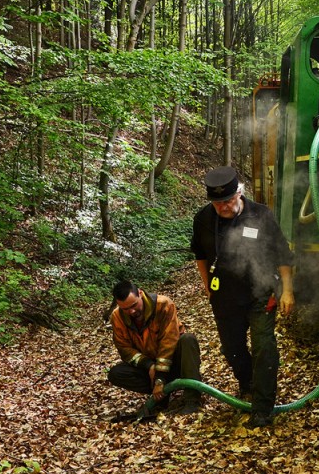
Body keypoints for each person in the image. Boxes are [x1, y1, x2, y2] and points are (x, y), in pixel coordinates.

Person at [190, 166, 294, 428]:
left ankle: (262, 408)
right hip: (224, 297)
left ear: (239, 192)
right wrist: (206, 285)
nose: (223, 207)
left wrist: (288, 291)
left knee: (264, 348)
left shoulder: (260, 215)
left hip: (260, 293)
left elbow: (283, 254)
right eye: (217, 203)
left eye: (228, 201)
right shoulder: (203, 219)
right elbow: (200, 254)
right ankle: (248, 382)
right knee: (232, 349)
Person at [107, 280, 203, 416]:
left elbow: (169, 341)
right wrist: (149, 365)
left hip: (174, 361)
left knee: (188, 340)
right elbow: (125, 350)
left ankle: (192, 398)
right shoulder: (117, 317)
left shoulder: (163, 304)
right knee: (116, 373)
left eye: (134, 305)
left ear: (140, 294)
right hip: (150, 366)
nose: (132, 311)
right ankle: (162, 395)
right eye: (126, 309)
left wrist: (160, 377)